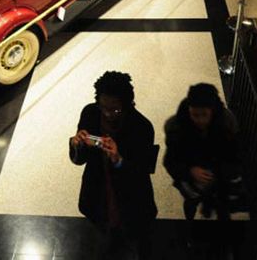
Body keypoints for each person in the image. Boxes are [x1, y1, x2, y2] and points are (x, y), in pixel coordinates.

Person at [70, 71, 157, 259]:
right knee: (103, 240)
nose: (108, 114)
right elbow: (79, 160)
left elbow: (143, 171)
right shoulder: (90, 113)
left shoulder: (141, 127)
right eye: (104, 108)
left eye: (115, 110)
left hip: (131, 198)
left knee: (134, 242)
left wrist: (118, 160)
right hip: (98, 192)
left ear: (127, 105)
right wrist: (76, 144)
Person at [164, 83, 241, 225]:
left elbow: (235, 156)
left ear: (212, 110)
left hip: (220, 176)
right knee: (191, 201)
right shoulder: (176, 127)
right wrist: (190, 171)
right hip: (192, 179)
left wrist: (219, 173)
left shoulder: (227, 124)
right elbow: (170, 161)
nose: (200, 120)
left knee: (222, 205)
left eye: (204, 114)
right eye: (195, 115)